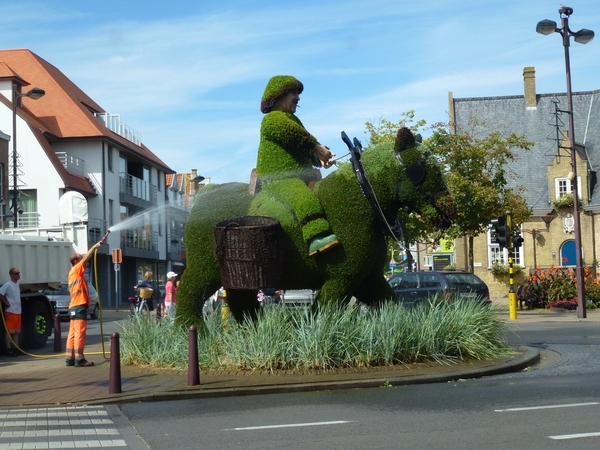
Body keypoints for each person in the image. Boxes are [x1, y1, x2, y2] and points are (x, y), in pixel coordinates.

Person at [257, 75, 339, 256]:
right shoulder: (272, 119)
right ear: (279, 95)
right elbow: (294, 134)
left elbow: (302, 146)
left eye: (298, 93)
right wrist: (317, 147)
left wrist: (320, 159)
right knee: (301, 196)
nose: (298, 97)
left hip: (300, 176)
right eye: (293, 93)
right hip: (278, 179)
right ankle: (316, 236)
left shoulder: (294, 120)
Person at [65, 241, 102, 367]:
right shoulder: (76, 269)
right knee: (80, 332)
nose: (84, 261)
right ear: (76, 261)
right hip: (79, 305)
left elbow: (85, 257)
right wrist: (94, 247)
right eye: (81, 259)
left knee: (73, 333)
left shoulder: (74, 273)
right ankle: (79, 359)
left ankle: (70, 358)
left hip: (74, 306)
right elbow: (86, 257)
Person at [0, 268, 22, 357]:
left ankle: (16, 348)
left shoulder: (17, 284)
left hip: (18, 311)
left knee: (16, 332)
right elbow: (0, 293)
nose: (18, 274)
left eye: (18, 273)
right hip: (11, 311)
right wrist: (6, 303)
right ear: (12, 275)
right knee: (9, 332)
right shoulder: (8, 285)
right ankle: (8, 349)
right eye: (16, 273)